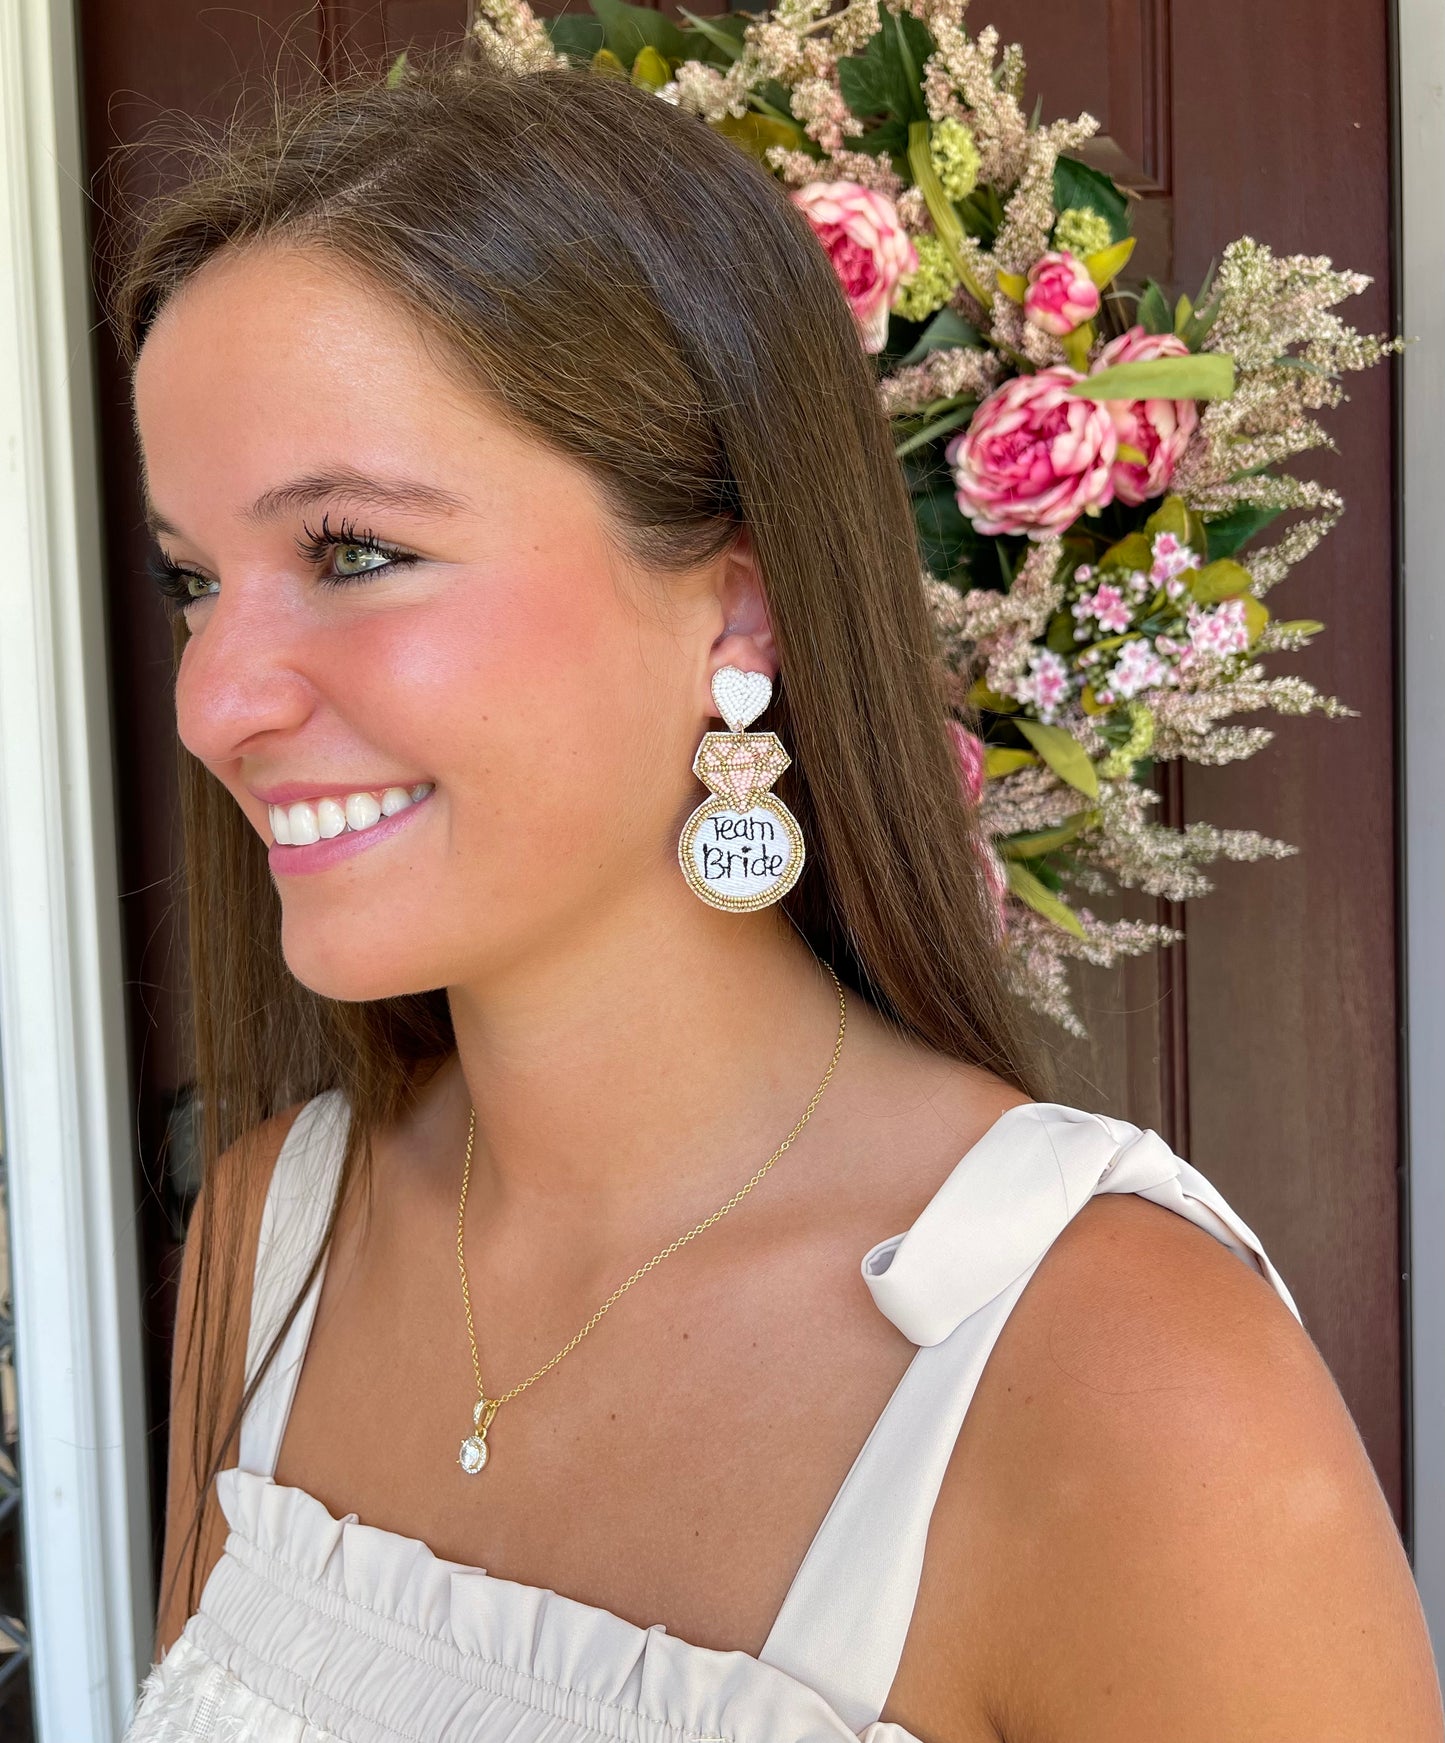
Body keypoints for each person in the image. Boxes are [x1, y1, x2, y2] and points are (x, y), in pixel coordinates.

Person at [111, 35, 1443, 1743]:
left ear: (735, 616)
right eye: (193, 583)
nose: (216, 701)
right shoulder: (276, 1229)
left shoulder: (1116, 1383)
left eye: (354, 552)